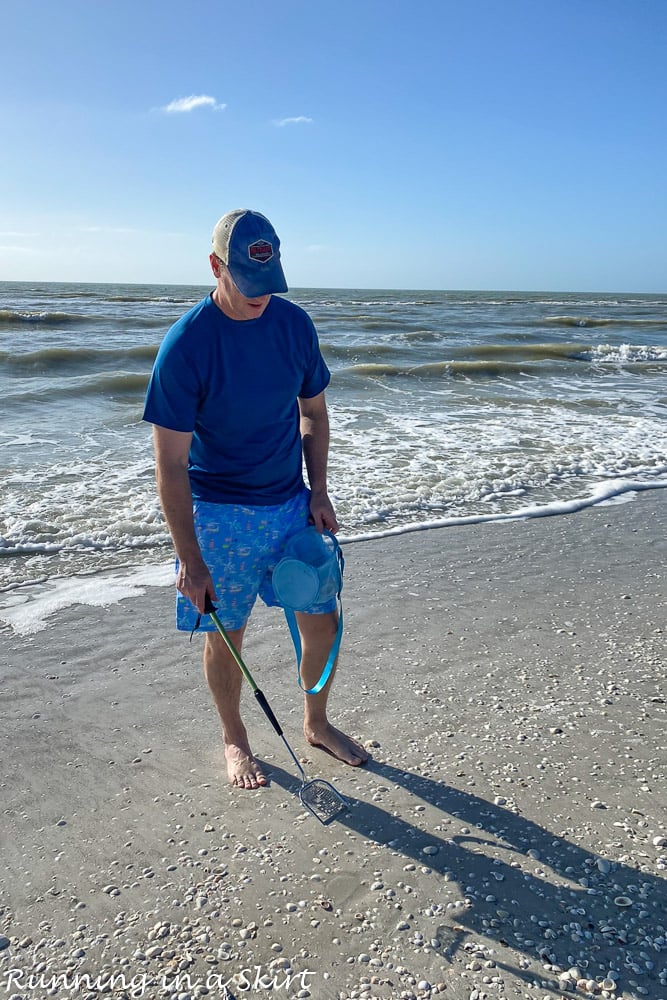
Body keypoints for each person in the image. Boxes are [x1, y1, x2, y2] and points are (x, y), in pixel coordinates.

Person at [143, 209, 368, 789]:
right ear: (216, 267)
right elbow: (169, 463)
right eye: (247, 284)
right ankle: (234, 739)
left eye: (269, 285)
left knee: (324, 620)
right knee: (227, 635)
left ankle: (316, 723)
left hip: (291, 503)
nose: (260, 298)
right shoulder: (187, 344)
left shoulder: (294, 326)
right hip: (220, 513)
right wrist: (189, 558)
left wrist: (318, 491)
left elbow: (313, 412)